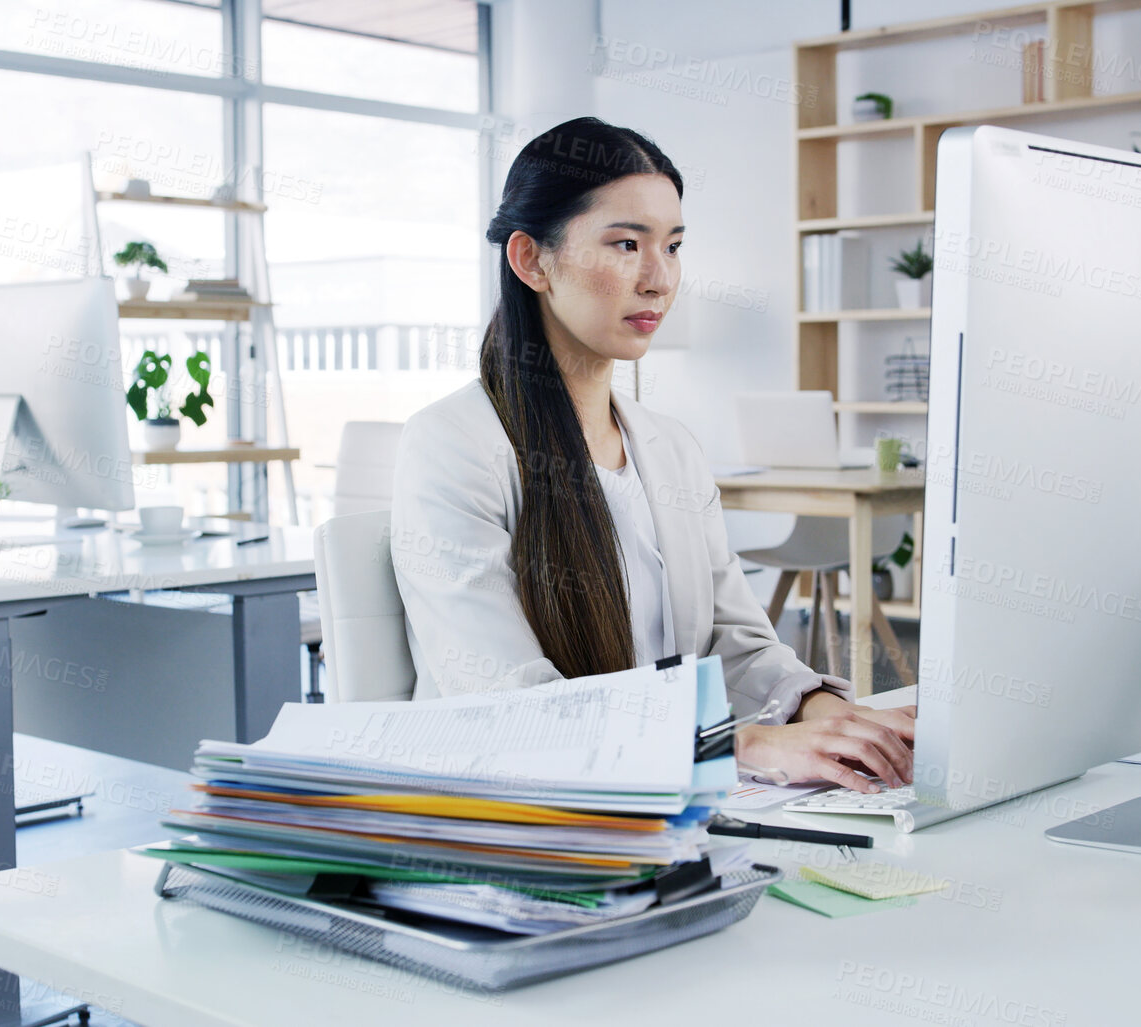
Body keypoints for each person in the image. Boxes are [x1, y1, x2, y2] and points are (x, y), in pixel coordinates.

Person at [390, 117, 914, 794]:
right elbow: (508, 705)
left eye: (672, 245)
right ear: (531, 260)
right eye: (626, 243)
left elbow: (734, 642)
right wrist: (745, 743)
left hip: (674, 790)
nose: (659, 278)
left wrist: (828, 716)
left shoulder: (669, 448)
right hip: (520, 811)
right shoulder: (451, 445)